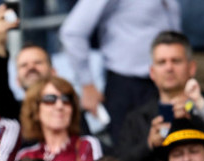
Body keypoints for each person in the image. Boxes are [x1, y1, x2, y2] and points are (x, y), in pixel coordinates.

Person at [59, 0, 180, 145]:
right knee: (129, 156)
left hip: (163, 84)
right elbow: (72, 32)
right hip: (126, 87)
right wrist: (87, 84)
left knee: (171, 147)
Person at [118, 31, 204, 161]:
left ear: (192, 68)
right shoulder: (137, 118)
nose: (169, 67)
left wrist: (197, 115)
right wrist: (148, 145)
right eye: (162, 62)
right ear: (152, 72)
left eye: (176, 61)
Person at [0, 4, 54, 120]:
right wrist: (0, 42)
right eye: (24, 65)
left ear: (53, 72)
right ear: (17, 80)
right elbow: (0, 89)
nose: (31, 67)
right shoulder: (15, 112)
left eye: (38, 62)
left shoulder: (68, 108)